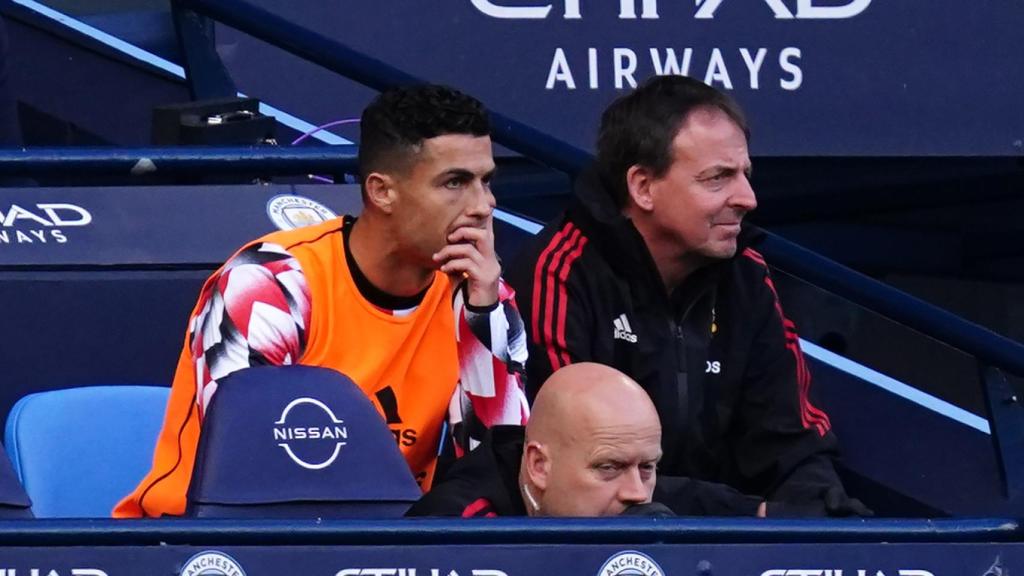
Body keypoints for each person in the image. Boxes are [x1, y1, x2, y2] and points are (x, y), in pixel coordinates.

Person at [115, 85, 530, 518]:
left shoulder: (481, 293)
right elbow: (252, 471)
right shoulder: (269, 284)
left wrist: (483, 317)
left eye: (487, 181)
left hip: (382, 548)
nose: (484, 206)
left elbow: (497, 473)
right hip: (203, 544)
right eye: (455, 183)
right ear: (382, 191)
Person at [507, 75, 866, 516]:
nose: (748, 198)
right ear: (642, 186)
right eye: (718, 178)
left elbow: (793, 441)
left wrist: (816, 504)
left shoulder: (747, 275)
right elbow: (582, 470)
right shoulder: (558, 270)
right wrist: (752, 514)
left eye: (745, 176)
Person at [408, 362, 768, 517]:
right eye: (609, 467)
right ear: (539, 466)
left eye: (648, 467)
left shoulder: (633, 497)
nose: (638, 493)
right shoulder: (455, 528)